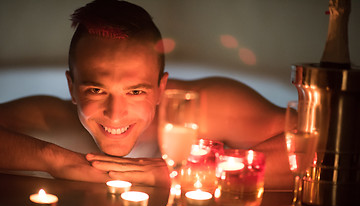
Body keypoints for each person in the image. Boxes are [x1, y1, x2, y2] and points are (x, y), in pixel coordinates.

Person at [0, 0, 292, 189]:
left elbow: (320, 143)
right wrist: (53, 158)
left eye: (136, 91)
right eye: (97, 90)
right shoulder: (51, 119)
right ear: (72, 88)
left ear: (161, 88)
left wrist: (196, 171)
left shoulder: (207, 106)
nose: (116, 113)